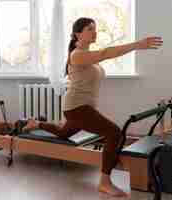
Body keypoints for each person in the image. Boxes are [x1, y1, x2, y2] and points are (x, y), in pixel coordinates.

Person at [23, 17, 163, 197]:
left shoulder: (88, 56)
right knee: (114, 133)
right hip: (76, 107)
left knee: (64, 132)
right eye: (90, 29)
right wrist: (137, 44)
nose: (94, 32)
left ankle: (36, 124)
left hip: (81, 107)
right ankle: (105, 182)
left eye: (95, 29)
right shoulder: (77, 54)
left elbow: (102, 55)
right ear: (77, 34)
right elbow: (106, 52)